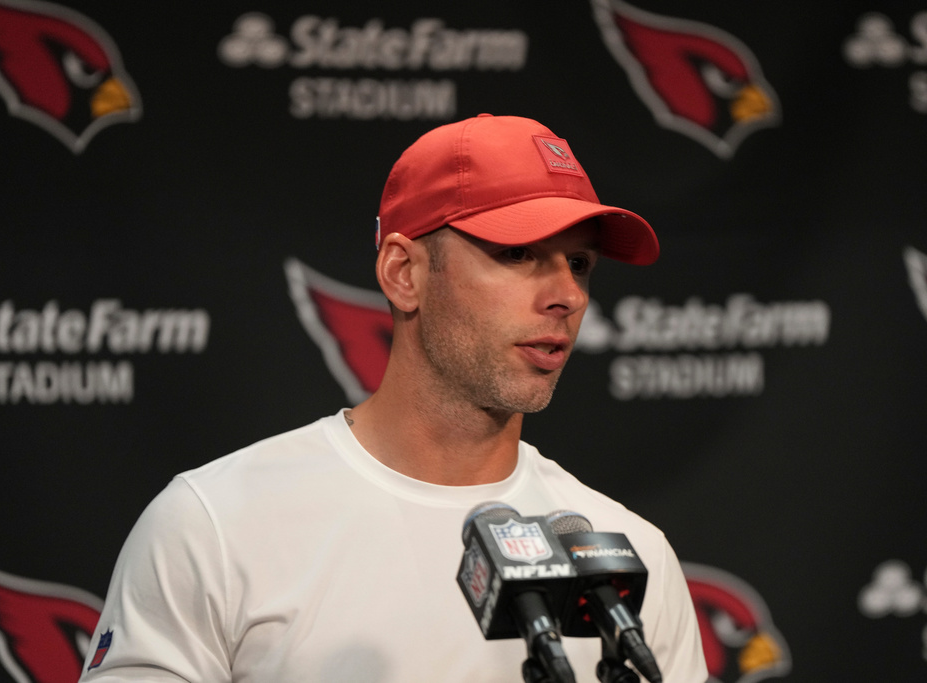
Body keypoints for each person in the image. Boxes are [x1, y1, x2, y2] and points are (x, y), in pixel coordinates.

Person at [79, 114, 707, 683]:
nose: (565, 294)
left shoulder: (626, 558)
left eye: (579, 262)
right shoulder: (213, 525)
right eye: (517, 254)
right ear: (403, 274)